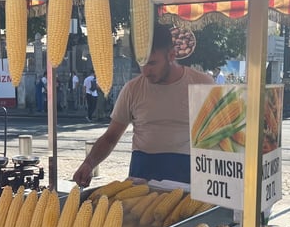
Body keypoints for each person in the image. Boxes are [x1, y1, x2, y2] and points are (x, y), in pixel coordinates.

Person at [73, 25, 213, 186]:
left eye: (152, 63)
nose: (145, 71)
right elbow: (110, 137)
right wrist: (89, 163)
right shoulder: (132, 89)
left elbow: (217, 138)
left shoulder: (202, 84)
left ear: (171, 55)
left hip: (187, 173)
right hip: (142, 174)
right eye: (141, 62)